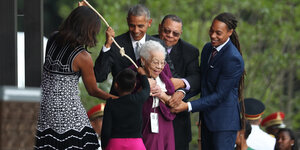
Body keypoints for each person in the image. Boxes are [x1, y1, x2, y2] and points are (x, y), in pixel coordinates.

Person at [34, 6, 116, 150]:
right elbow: (92, 90)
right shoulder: (82, 57)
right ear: (88, 30)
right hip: (67, 113)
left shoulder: (53, 38)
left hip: (44, 107)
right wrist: (115, 99)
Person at [171, 12, 245, 150]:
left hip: (224, 124)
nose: (212, 35)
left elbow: (220, 95)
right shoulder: (207, 49)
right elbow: (203, 83)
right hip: (206, 120)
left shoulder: (233, 58)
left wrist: (187, 106)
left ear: (230, 32)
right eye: (211, 30)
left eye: (218, 33)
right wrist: (178, 95)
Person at [94, 4, 164, 95]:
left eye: (140, 26)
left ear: (149, 23)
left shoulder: (159, 45)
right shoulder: (115, 44)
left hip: (149, 105)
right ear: (127, 21)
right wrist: (107, 45)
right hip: (120, 104)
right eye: (132, 25)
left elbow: (168, 76)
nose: (136, 30)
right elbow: (99, 76)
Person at [154, 14, 200, 150]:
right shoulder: (147, 43)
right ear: (159, 28)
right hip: (148, 116)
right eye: (166, 31)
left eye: (175, 33)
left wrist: (181, 89)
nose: (170, 35)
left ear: (181, 34)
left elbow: (197, 78)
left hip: (177, 119)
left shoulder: (190, 51)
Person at [133, 40, 176, 150]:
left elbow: (173, 98)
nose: (160, 67)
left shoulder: (164, 71)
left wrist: (161, 94)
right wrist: (144, 88)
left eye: (162, 62)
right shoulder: (132, 73)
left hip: (164, 120)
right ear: (143, 60)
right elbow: (128, 101)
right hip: (145, 121)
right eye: (155, 62)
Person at [101, 68, 150, 150]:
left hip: (115, 144)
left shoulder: (111, 104)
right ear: (134, 85)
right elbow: (147, 89)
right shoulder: (138, 99)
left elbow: (106, 130)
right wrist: (143, 75)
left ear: (116, 85)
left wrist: (104, 146)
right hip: (136, 144)